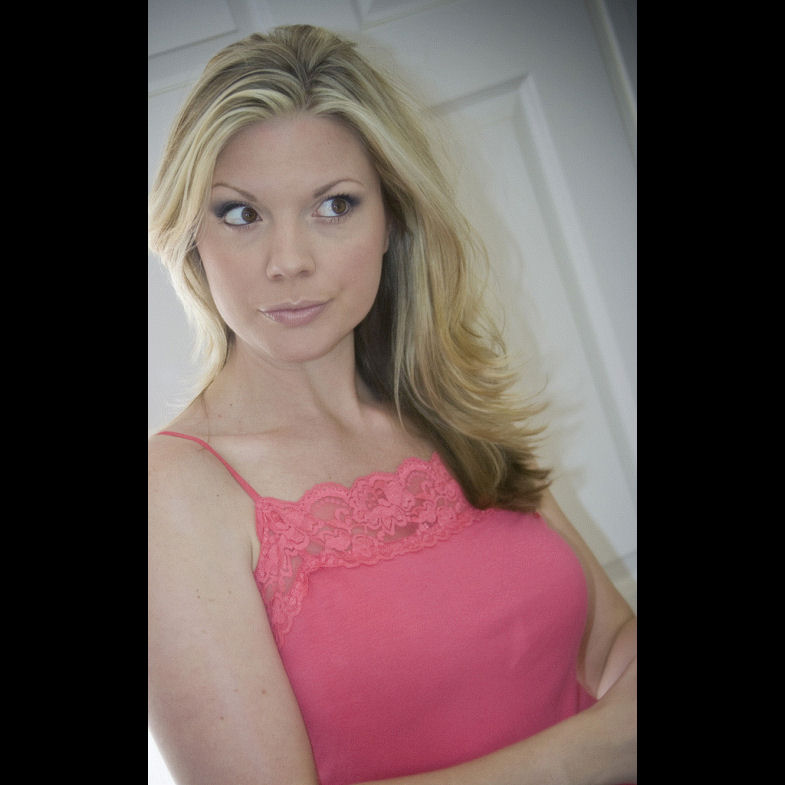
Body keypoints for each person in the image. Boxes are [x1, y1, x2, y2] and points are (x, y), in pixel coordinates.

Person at [148, 24, 636, 785]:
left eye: (334, 205)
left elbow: (610, 650)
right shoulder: (175, 492)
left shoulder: (443, 405)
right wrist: (599, 751)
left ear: (391, 221)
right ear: (189, 237)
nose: (289, 261)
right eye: (241, 214)